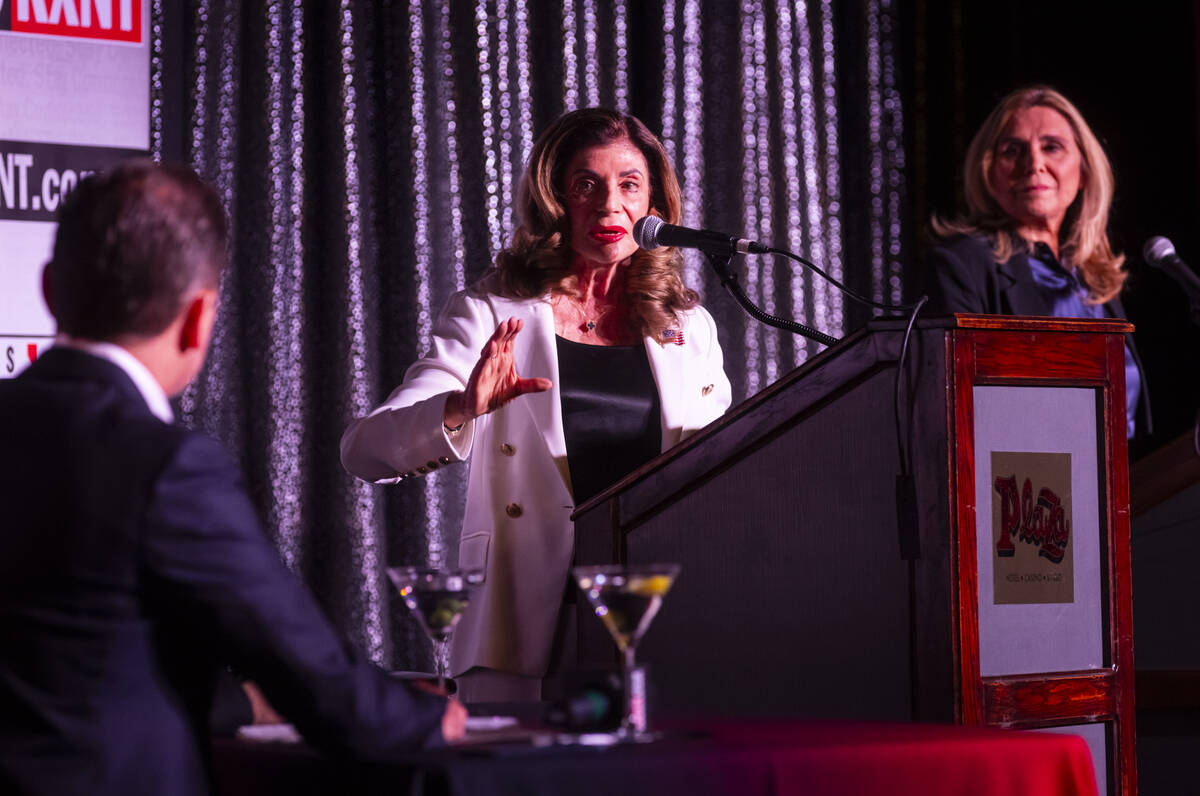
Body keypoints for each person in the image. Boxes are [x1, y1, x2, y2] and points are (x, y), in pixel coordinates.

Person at [0, 161, 466, 796]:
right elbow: (305, 671)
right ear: (200, 318)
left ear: (51, 289)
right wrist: (428, 717)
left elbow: (86, 663)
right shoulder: (166, 467)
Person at [341, 108, 732, 702]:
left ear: (654, 206)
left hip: (652, 618)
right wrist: (460, 406)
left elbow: (724, 465)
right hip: (524, 617)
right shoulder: (492, 311)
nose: (608, 205)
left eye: (629, 184)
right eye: (586, 184)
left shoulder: (689, 327)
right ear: (555, 200)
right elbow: (364, 451)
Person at [923, 85, 1149, 437]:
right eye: (1012, 150)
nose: (1034, 164)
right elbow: (952, 411)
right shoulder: (962, 264)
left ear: (1085, 170)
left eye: (1052, 147)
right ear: (988, 172)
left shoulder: (1093, 275)